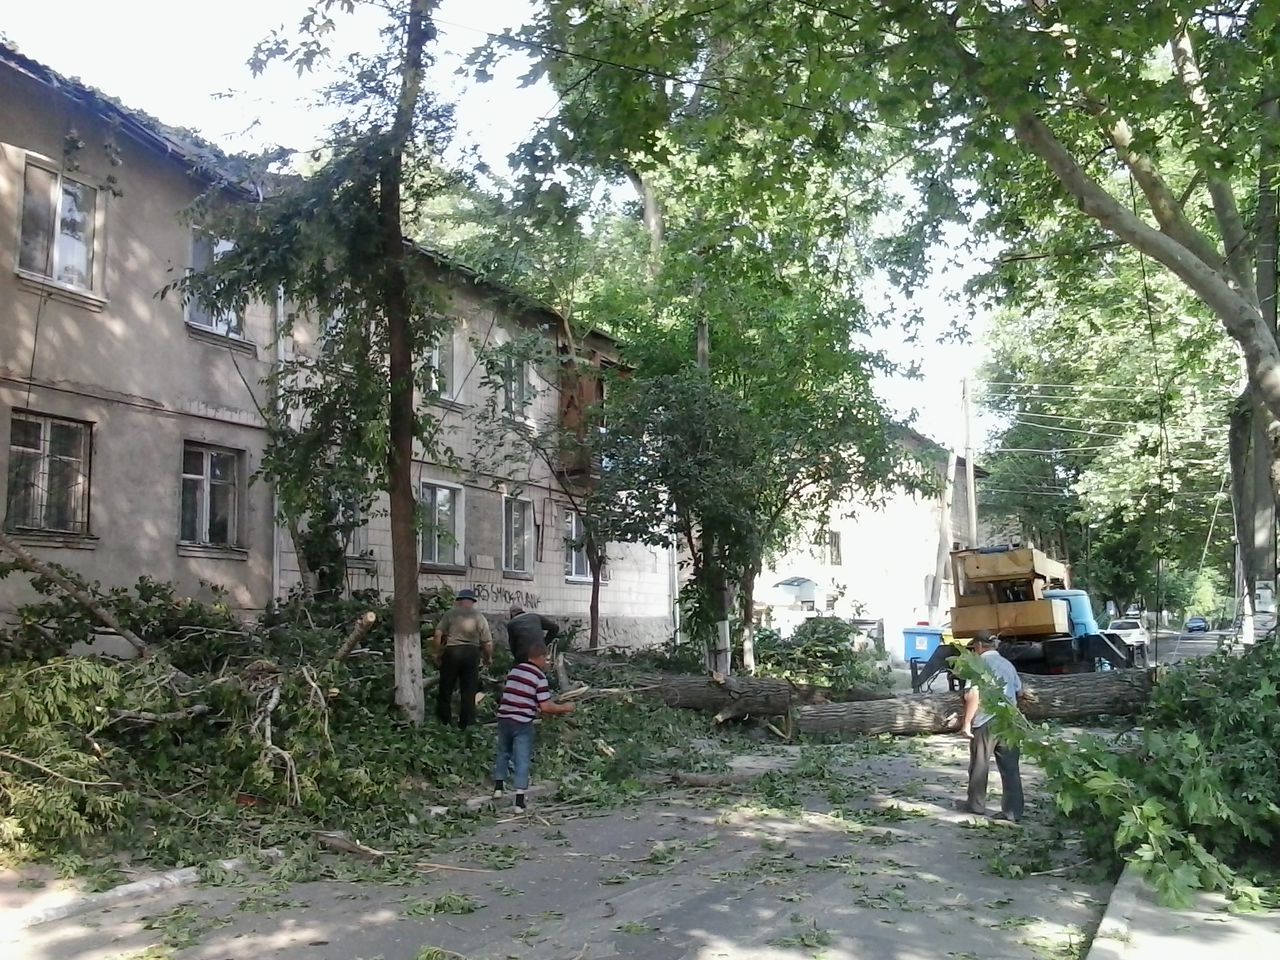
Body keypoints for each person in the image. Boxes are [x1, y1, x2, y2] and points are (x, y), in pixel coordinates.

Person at [492, 640, 575, 812]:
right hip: (522, 722)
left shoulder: (515, 670)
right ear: (540, 657)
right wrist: (565, 708)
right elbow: (546, 706)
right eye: (546, 659)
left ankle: (498, 788)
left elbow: (518, 695)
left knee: (503, 752)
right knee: (521, 757)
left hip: (504, 717)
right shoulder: (539, 677)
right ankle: (519, 801)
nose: (547, 663)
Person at [957, 631, 1025, 822]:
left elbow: (973, 695)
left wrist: (967, 723)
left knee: (979, 764)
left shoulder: (979, 665)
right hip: (1009, 721)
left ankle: (976, 805)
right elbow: (1020, 692)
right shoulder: (1007, 664)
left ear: (979, 645)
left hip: (987, 720)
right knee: (1011, 768)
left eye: (973, 647)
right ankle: (1013, 812)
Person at [430, 589, 494, 729]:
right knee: (469, 690)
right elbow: (487, 643)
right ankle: (466, 725)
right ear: (472, 602)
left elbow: (437, 634)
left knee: (446, 688)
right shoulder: (479, 617)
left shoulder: (450, 614)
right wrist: (488, 658)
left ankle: (444, 722)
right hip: (472, 653)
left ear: (459, 601)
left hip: (452, 652)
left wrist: (436, 653)